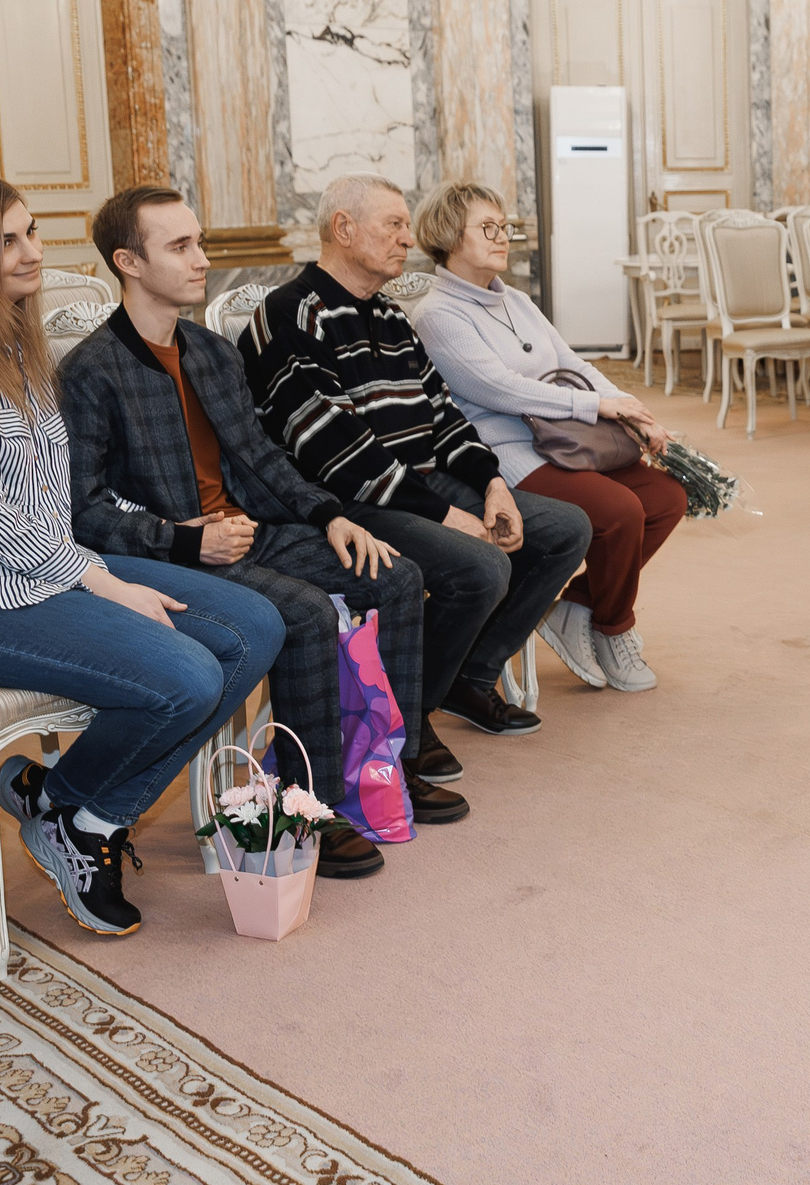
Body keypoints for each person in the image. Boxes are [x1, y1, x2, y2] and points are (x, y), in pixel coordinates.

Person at [0, 171, 285, 938]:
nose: (34, 251)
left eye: (31, 232)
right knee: (186, 671)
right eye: (9, 240)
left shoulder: (18, 344)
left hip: (35, 570)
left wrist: (90, 571)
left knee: (254, 625)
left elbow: (49, 500)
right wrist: (97, 579)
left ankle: (75, 808)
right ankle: (87, 822)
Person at [59, 186, 465, 850]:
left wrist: (328, 514)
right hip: (174, 558)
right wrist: (185, 540)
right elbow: (84, 511)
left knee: (394, 575)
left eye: (201, 242)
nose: (202, 260)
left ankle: (390, 764)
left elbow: (258, 455)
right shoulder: (91, 372)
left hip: (251, 532)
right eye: (181, 246)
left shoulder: (210, 352)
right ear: (128, 261)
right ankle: (312, 803)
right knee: (304, 613)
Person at [242, 175, 591, 754]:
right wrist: (444, 514)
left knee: (563, 530)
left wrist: (492, 483)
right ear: (343, 228)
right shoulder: (291, 315)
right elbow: (333, 450)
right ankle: (411, 712)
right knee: (480, 567)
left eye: (407, 226)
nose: (409, 239)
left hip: (424, 480)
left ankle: (464, 679)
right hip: (349, 502)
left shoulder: (390, 316)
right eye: (395, 225)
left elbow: (445, 415)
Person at [412, 182, 688, 695]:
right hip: (510, 452)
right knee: (620, 512)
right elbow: (495, 388)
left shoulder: (514, 298)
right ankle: (613, 627)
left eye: (505, 227)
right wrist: (595, 405)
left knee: (668, 498)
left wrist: (635, 412)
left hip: (568, 441)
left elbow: (572, 364)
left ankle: (578, 605)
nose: (503, 238)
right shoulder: (437, 313)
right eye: (488, 228)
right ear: (449, 236)